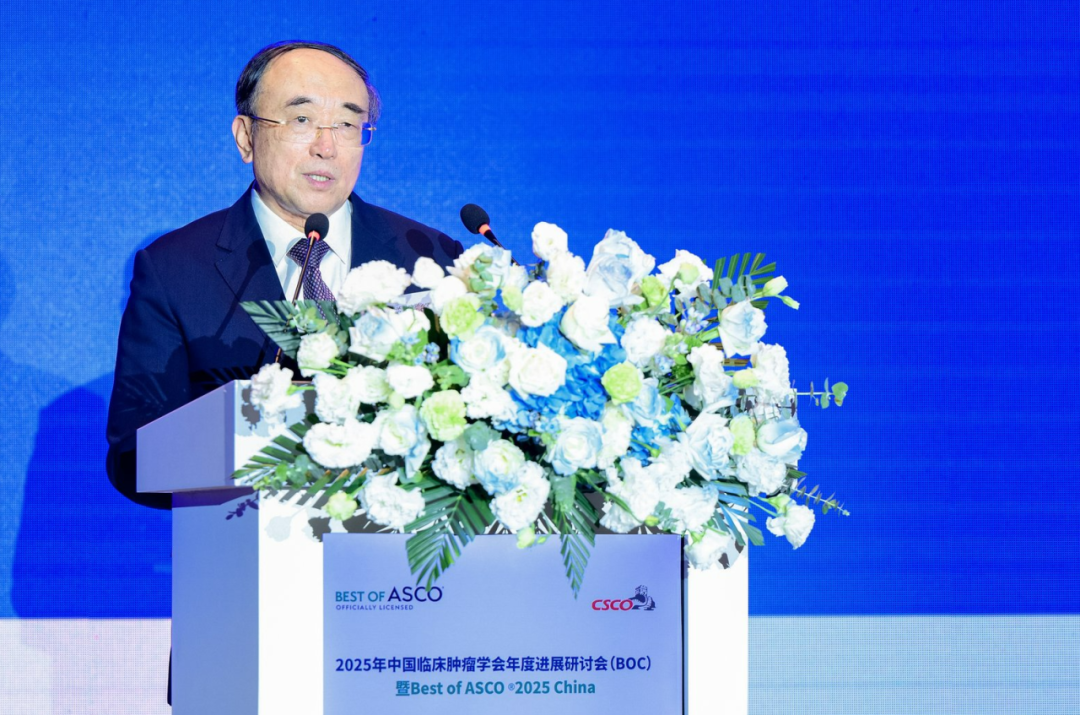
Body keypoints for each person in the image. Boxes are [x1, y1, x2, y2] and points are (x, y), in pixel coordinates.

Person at [106, 41, 462, 509]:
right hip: (246, 535)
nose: (326, 147)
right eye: (302, 120)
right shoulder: (175, 269)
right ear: (246, 137)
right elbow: (134, 451)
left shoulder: (430, 257)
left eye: (347, 125)